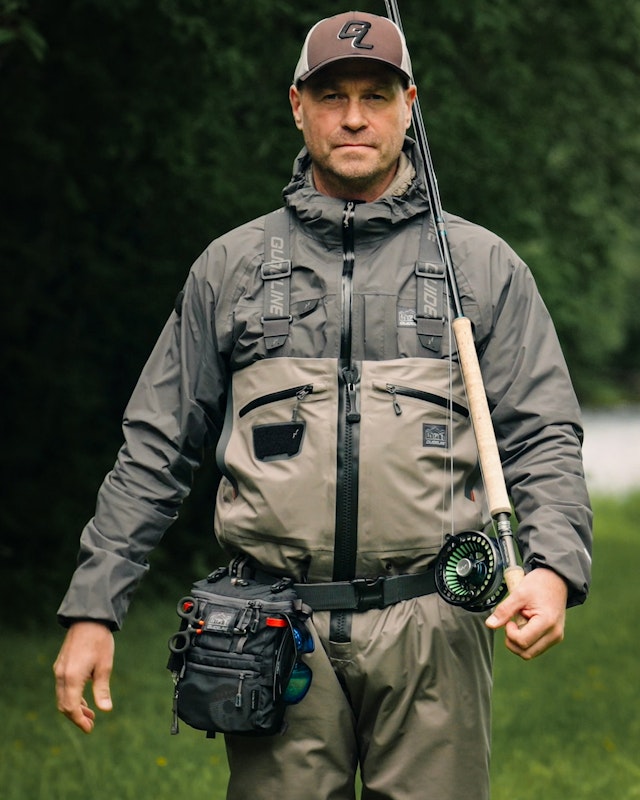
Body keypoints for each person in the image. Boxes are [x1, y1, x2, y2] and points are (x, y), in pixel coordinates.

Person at [54, 11, 592, 800]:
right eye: (332, 95)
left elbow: (542, 438)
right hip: (275, 629)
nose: (353, 117)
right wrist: (94, 608)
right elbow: (154, 449)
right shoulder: (231, 268)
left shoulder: (483, 266)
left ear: (411, 106)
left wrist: (552, 569)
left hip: (435, 623)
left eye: (376, 95)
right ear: (296, 106)